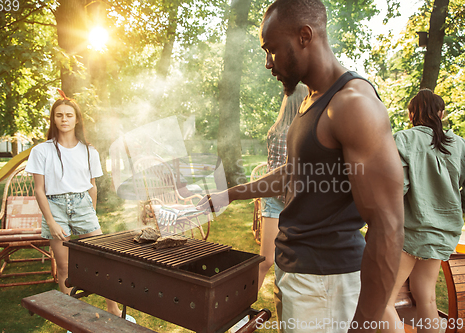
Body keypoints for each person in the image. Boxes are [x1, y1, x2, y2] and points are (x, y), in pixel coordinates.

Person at [198, 0, 405, 332]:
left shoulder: (352, 105)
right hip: (301, 273)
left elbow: (388, 226)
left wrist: (363, 326)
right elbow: (296, 173)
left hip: (325, 282)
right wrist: (228, 195)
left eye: (272, 50)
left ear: (305, 36)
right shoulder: (311, 101)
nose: (267, 63)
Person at [25, 90, 135, 325]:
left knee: (104, 260)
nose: (64, 119)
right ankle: (71, 320)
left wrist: (91, 213)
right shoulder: (41, 150)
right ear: (53, 119)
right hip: (54, 206)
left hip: (82, 204)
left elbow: (93, 187)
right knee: (64, 268)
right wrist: (52, 222)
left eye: (68, 115)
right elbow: (39, 190)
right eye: (59, 115)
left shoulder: (89, 151)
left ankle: (113, 311)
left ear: (76, 119)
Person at [381, 89, 465, 333]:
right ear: (441, 114)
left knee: (383, 300)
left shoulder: (403, 139)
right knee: (426, 297)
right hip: (443, 232)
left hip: (410, 232)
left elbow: (399, 187)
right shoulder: (459, 144)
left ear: (411, 115)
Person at [258, 84, 307, 290]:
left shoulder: (283, 129)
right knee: (267, 260)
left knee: (281, 262)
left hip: (286, 201)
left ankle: (242, 312)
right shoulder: (286, 133)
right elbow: (281, 176)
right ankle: (240, 312)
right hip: (279, 201)